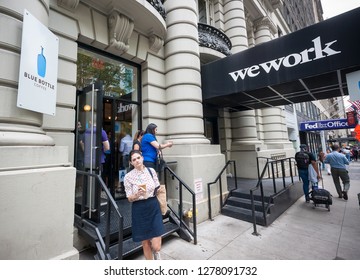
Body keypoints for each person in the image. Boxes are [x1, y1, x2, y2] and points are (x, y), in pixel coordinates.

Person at [124, 150, 164, 260]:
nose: (136, 161)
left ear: (142, 158)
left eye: (138, 158)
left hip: (153, 205)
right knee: (145, 242)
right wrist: (136, 195)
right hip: (139, 208)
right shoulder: (128, 177)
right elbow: (129, 198)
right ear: (131, 163)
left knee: (156, 245)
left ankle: (156, 252)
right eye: (134, 160)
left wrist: (154, 190)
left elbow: (157, 187)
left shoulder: (151, 171)